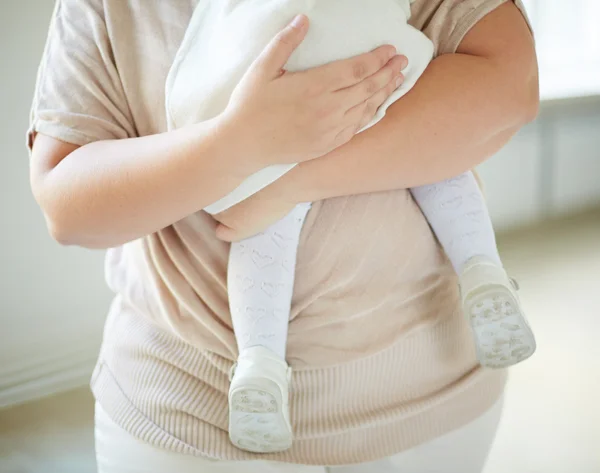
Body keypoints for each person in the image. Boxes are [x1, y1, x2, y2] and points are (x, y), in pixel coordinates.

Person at [27, 0, 538, 472]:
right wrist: (237, 145)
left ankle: (264, 365)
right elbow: (68, 206)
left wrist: (282, 179)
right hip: (189, 407)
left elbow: (509, 86)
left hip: (431, 393)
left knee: (429, 184)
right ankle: (262, 367)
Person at [166, 0, 536, 454]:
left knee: (261, 231)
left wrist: (283, 185)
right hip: (368, 64)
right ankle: (484, 276)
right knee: (439, 164)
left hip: (277, 86)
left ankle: (259, 365)